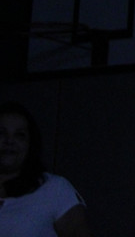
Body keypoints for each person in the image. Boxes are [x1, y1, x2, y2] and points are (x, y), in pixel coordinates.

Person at [0, 101, 90, 237]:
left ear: (30, 143)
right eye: (1, 133)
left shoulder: (54, 189)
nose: (9, 141)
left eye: (19, 135)